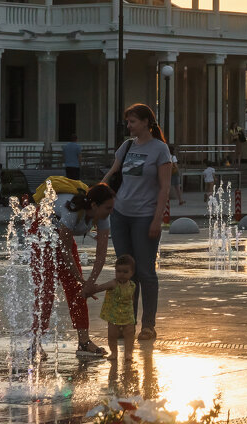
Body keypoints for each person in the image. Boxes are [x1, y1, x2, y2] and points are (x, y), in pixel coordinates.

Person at [102, 103, 172, 342]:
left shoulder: (160, 149)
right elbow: (113, 173)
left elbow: (164, 188)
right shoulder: (127, 146)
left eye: (132, 121)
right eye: (128, 121)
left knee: (144, 272)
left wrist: (157, 219)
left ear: (145, 122)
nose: (129, 126)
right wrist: (96, 193)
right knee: (126, 273)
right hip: (120, 214)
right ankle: (126, 322)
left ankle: (148, 325)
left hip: (145, 216)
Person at [37, 181, 116, 357]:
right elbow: (66, 253)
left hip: (61, 236)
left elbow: (101, 255)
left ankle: (84, 342)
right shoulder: (72, 212)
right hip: (40, 232)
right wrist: (82, 280)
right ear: (95, 205)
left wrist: (89, 283)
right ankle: (35, 344)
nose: (111, 212)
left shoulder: (103, 216)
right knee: (46, 289)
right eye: (108, 208)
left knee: (77, 291)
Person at [91, 254, 138, 360]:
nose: (121, 274)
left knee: (129, 334)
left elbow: (132, 300)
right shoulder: (113, 283)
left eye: (125, 272)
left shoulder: (132, 285)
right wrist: (91, 290)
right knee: (112, 335)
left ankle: (128, 353)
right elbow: (101, 288)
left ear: (132, 273)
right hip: (113, 314)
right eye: (118, 271)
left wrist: (131, 312)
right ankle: (114, 353)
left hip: (127, 315)